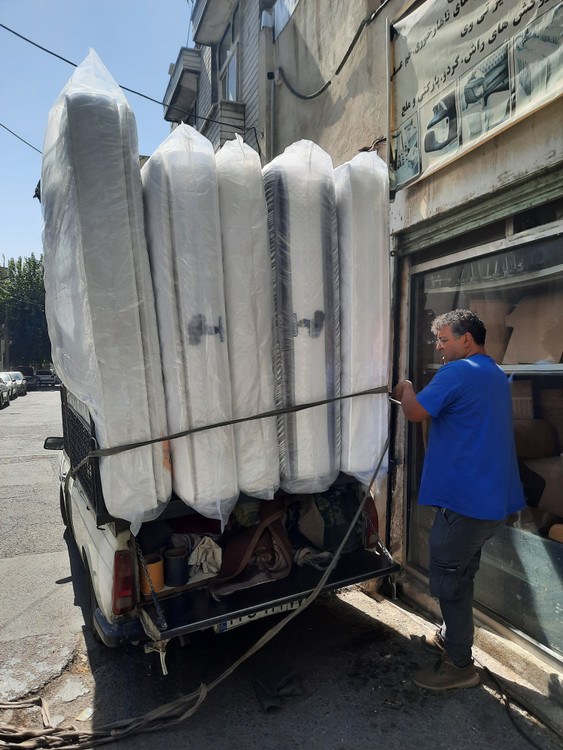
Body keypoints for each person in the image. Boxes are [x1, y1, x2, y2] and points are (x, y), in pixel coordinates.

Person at [392, 309, 525, 691]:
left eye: (444, 339)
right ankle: (452, 638)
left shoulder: (458, 372)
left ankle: (460, 666)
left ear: (466, 339)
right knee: (462, 573)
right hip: (491, 503)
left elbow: (414, 412)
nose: (439, 347)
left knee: (450, 579)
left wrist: (405, 388)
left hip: (466, 502)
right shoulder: (494, 373)